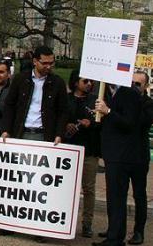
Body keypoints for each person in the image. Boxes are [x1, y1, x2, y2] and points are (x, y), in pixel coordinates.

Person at [0, 45, 68, 242]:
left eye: (51, 62)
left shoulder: (57, 82)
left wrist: (59, 134)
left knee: (39, 183)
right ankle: (10, 223)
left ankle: (38, 227)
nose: (48, 66)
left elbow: (64, 110)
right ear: (35, 61)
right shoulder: (21, 79)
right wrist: (6, 129)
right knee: (16, 182)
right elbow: (10, 105)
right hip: (21, 134)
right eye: (44, 63)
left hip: (43, 136)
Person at [92, 78, 143, 246]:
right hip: (111, 153)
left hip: (124, 154)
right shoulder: (104, 91)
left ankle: (115, 239)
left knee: (118, 196)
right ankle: (114, 233)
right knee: (113, 196)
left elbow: (129, 122)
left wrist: (108, 111)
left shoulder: (130, 93)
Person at [64, 70, 100, 238]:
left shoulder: (95, 100)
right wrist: (66, 126)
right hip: (68, 148)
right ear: (76, 82)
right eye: (85, 81)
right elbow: (59, 117)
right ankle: (63, 220)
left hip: (89, 149)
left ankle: (87, 224)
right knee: (66, 187)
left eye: (91, 81)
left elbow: (102, 124)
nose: (89, 84)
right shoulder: (66, 99)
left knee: (89, 188)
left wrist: (91, 123)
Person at [125, 71, 153, 245]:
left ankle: (138, 231)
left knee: (139, 195)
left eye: (138, 84)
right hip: (121, 154)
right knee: (117, 193)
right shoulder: (122, 99)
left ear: (145, 87)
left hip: (139, 157)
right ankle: (115, 228)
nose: (134, 87)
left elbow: (141, 122)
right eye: (131, 83)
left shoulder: (148, 104)